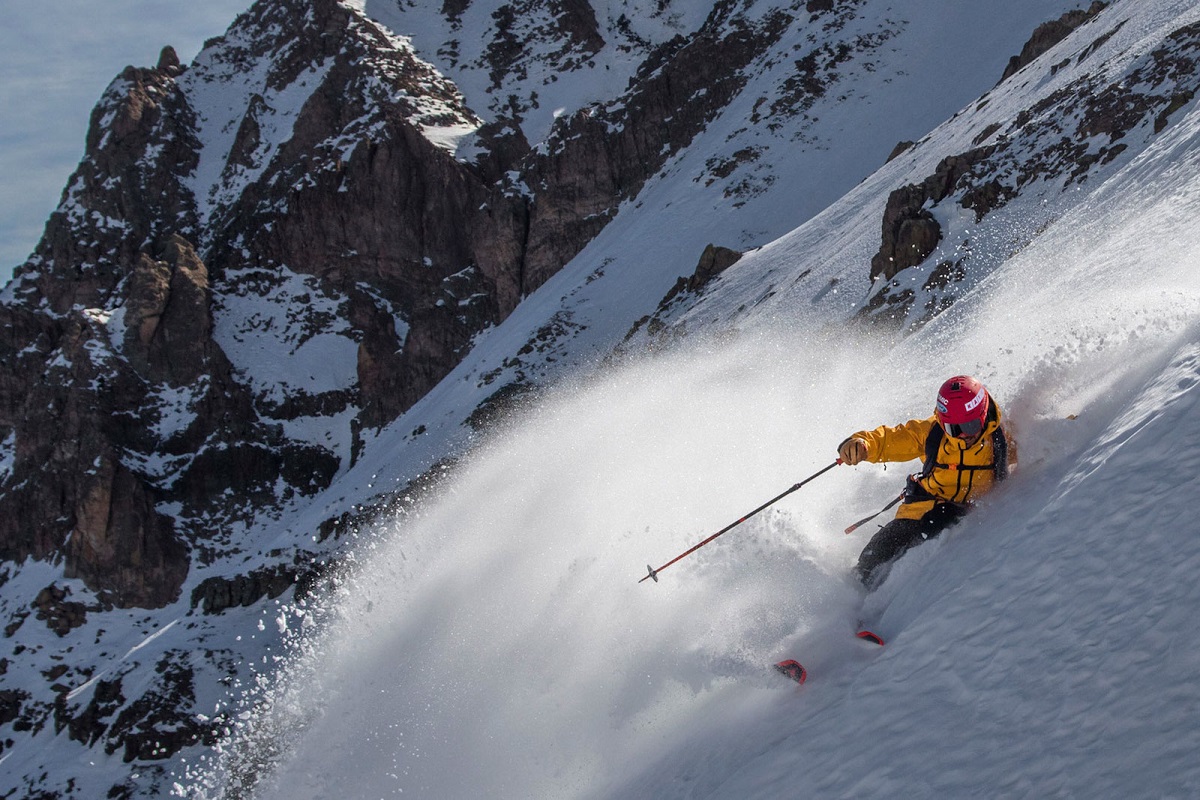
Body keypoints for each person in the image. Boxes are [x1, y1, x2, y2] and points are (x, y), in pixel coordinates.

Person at [837, 375, 1016, 588]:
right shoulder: (932, 434)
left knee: (938, 522)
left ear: (983, 414)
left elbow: (1036, 441)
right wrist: (863, 445)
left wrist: (1061, 429)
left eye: (969, 426)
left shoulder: (1000, 438)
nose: (962, 436)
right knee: (875, 555)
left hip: (970, 512)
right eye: (953, 429)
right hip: (923, 507)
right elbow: (893, 439)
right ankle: (854, 604)